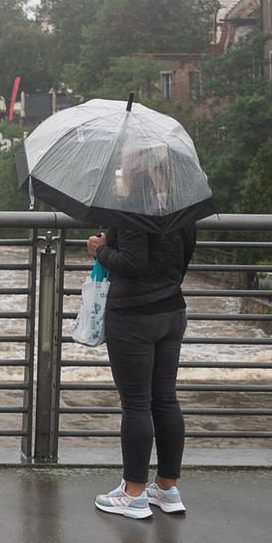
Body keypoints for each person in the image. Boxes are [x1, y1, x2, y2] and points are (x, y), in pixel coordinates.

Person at [84, 156, 197, 520]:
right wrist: (114, 241)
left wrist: (100, 249)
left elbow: (134, 263)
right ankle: (166, 488)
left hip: (134, 317)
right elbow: (179, 260)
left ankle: (132, 493)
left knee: (136, 404)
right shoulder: (181, 207)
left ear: (134, 171)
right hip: (171, 313)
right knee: (165, 400)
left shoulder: (131, 207)